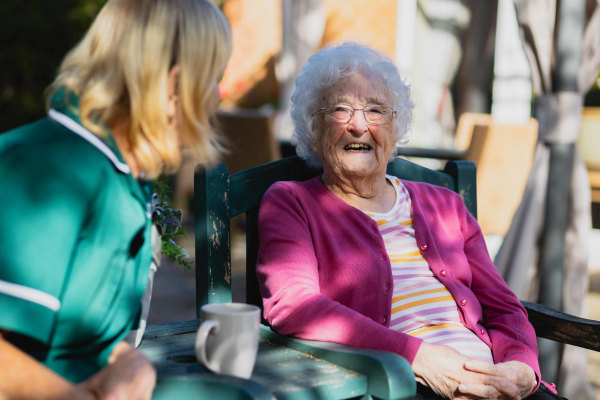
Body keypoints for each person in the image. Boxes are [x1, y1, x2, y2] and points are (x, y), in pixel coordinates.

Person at [256, 42, 565, 400]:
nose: (359, 126)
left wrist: (521, 366)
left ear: (395, 127)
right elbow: (293, 305)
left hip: (493, 378)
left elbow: (503, 306)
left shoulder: (445, 204)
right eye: (341, 110)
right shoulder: (292, 202)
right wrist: (419, 358)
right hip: (395, 384)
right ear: (314, 128)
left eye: (375, 110)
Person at [0, 0, 231, 398]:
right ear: (175, 87)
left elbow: (84, 338)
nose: (218, 98)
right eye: (214, 79)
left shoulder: (122, 177)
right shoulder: (53, 169)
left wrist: (129, 360)